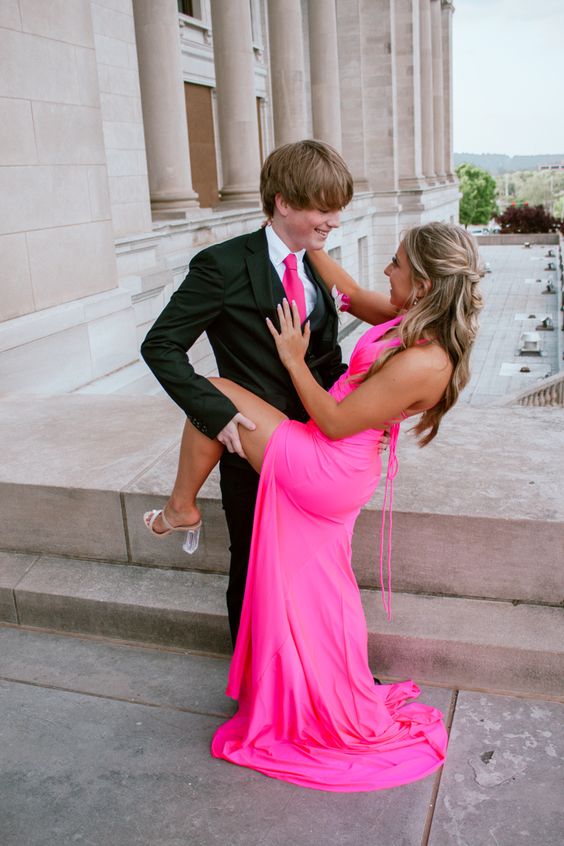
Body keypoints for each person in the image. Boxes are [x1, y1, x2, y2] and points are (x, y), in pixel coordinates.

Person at [150, 221, 484, 791]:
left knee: (214, 393)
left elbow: (331, 421)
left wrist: (293, 359)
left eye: (397, 264)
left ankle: (182, 507)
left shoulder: (425, 361)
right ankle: (311, 682)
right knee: (317, 587)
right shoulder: (412, 317)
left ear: (425, 284)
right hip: (338, 464)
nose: (388, 270)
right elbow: (349, 292)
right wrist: (311, 245)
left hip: (328, 462)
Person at [141, 140, 394, 643]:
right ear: (283, 202)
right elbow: (160, 346)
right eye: (323, 209)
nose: (334, 221)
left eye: (337, 209)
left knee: (306, 573)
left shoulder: (314, 264)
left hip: (316, 449)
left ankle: (304, 670)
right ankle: (253, 679)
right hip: (250, 450)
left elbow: (327, 359)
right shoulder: (221, 265)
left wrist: (359, 418)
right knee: (253, 570)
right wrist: (216, 414)